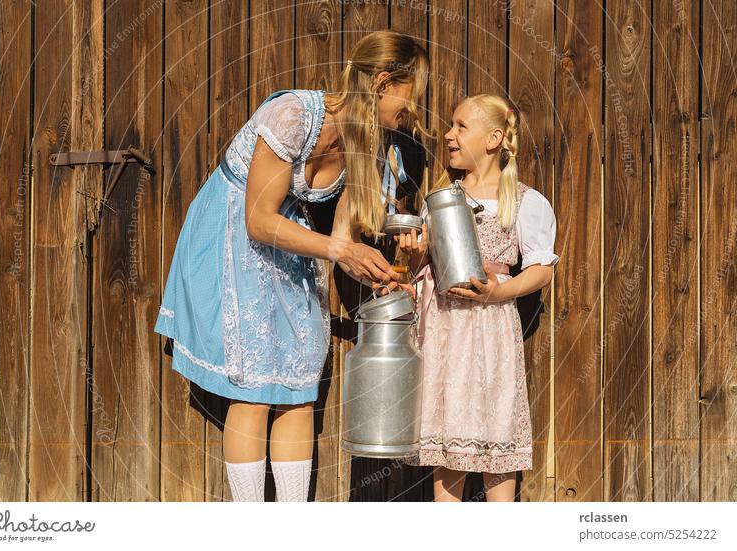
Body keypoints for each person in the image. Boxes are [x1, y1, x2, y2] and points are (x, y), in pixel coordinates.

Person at [154, 31, 429, 501]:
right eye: (408, 99)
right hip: (235, 231)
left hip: (293, 239)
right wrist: (341, 252)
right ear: (383, 83)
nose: (412, 114)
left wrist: (370, 270)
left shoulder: (367, 145)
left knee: (301, 380)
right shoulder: (294, 114)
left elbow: (341, 240)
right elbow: (259, 220)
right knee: (255, 384)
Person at [397, 94, 559, 502]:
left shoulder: (522, 200)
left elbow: (542, 269)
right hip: (445, 330)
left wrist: (499, 290)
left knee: (495, 432)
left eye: (460, 127)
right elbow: (425, 271)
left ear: (494, 138)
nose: (449, 136)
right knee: (448, 438)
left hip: (490, 332)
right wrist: (415, 256)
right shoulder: (440, 200)